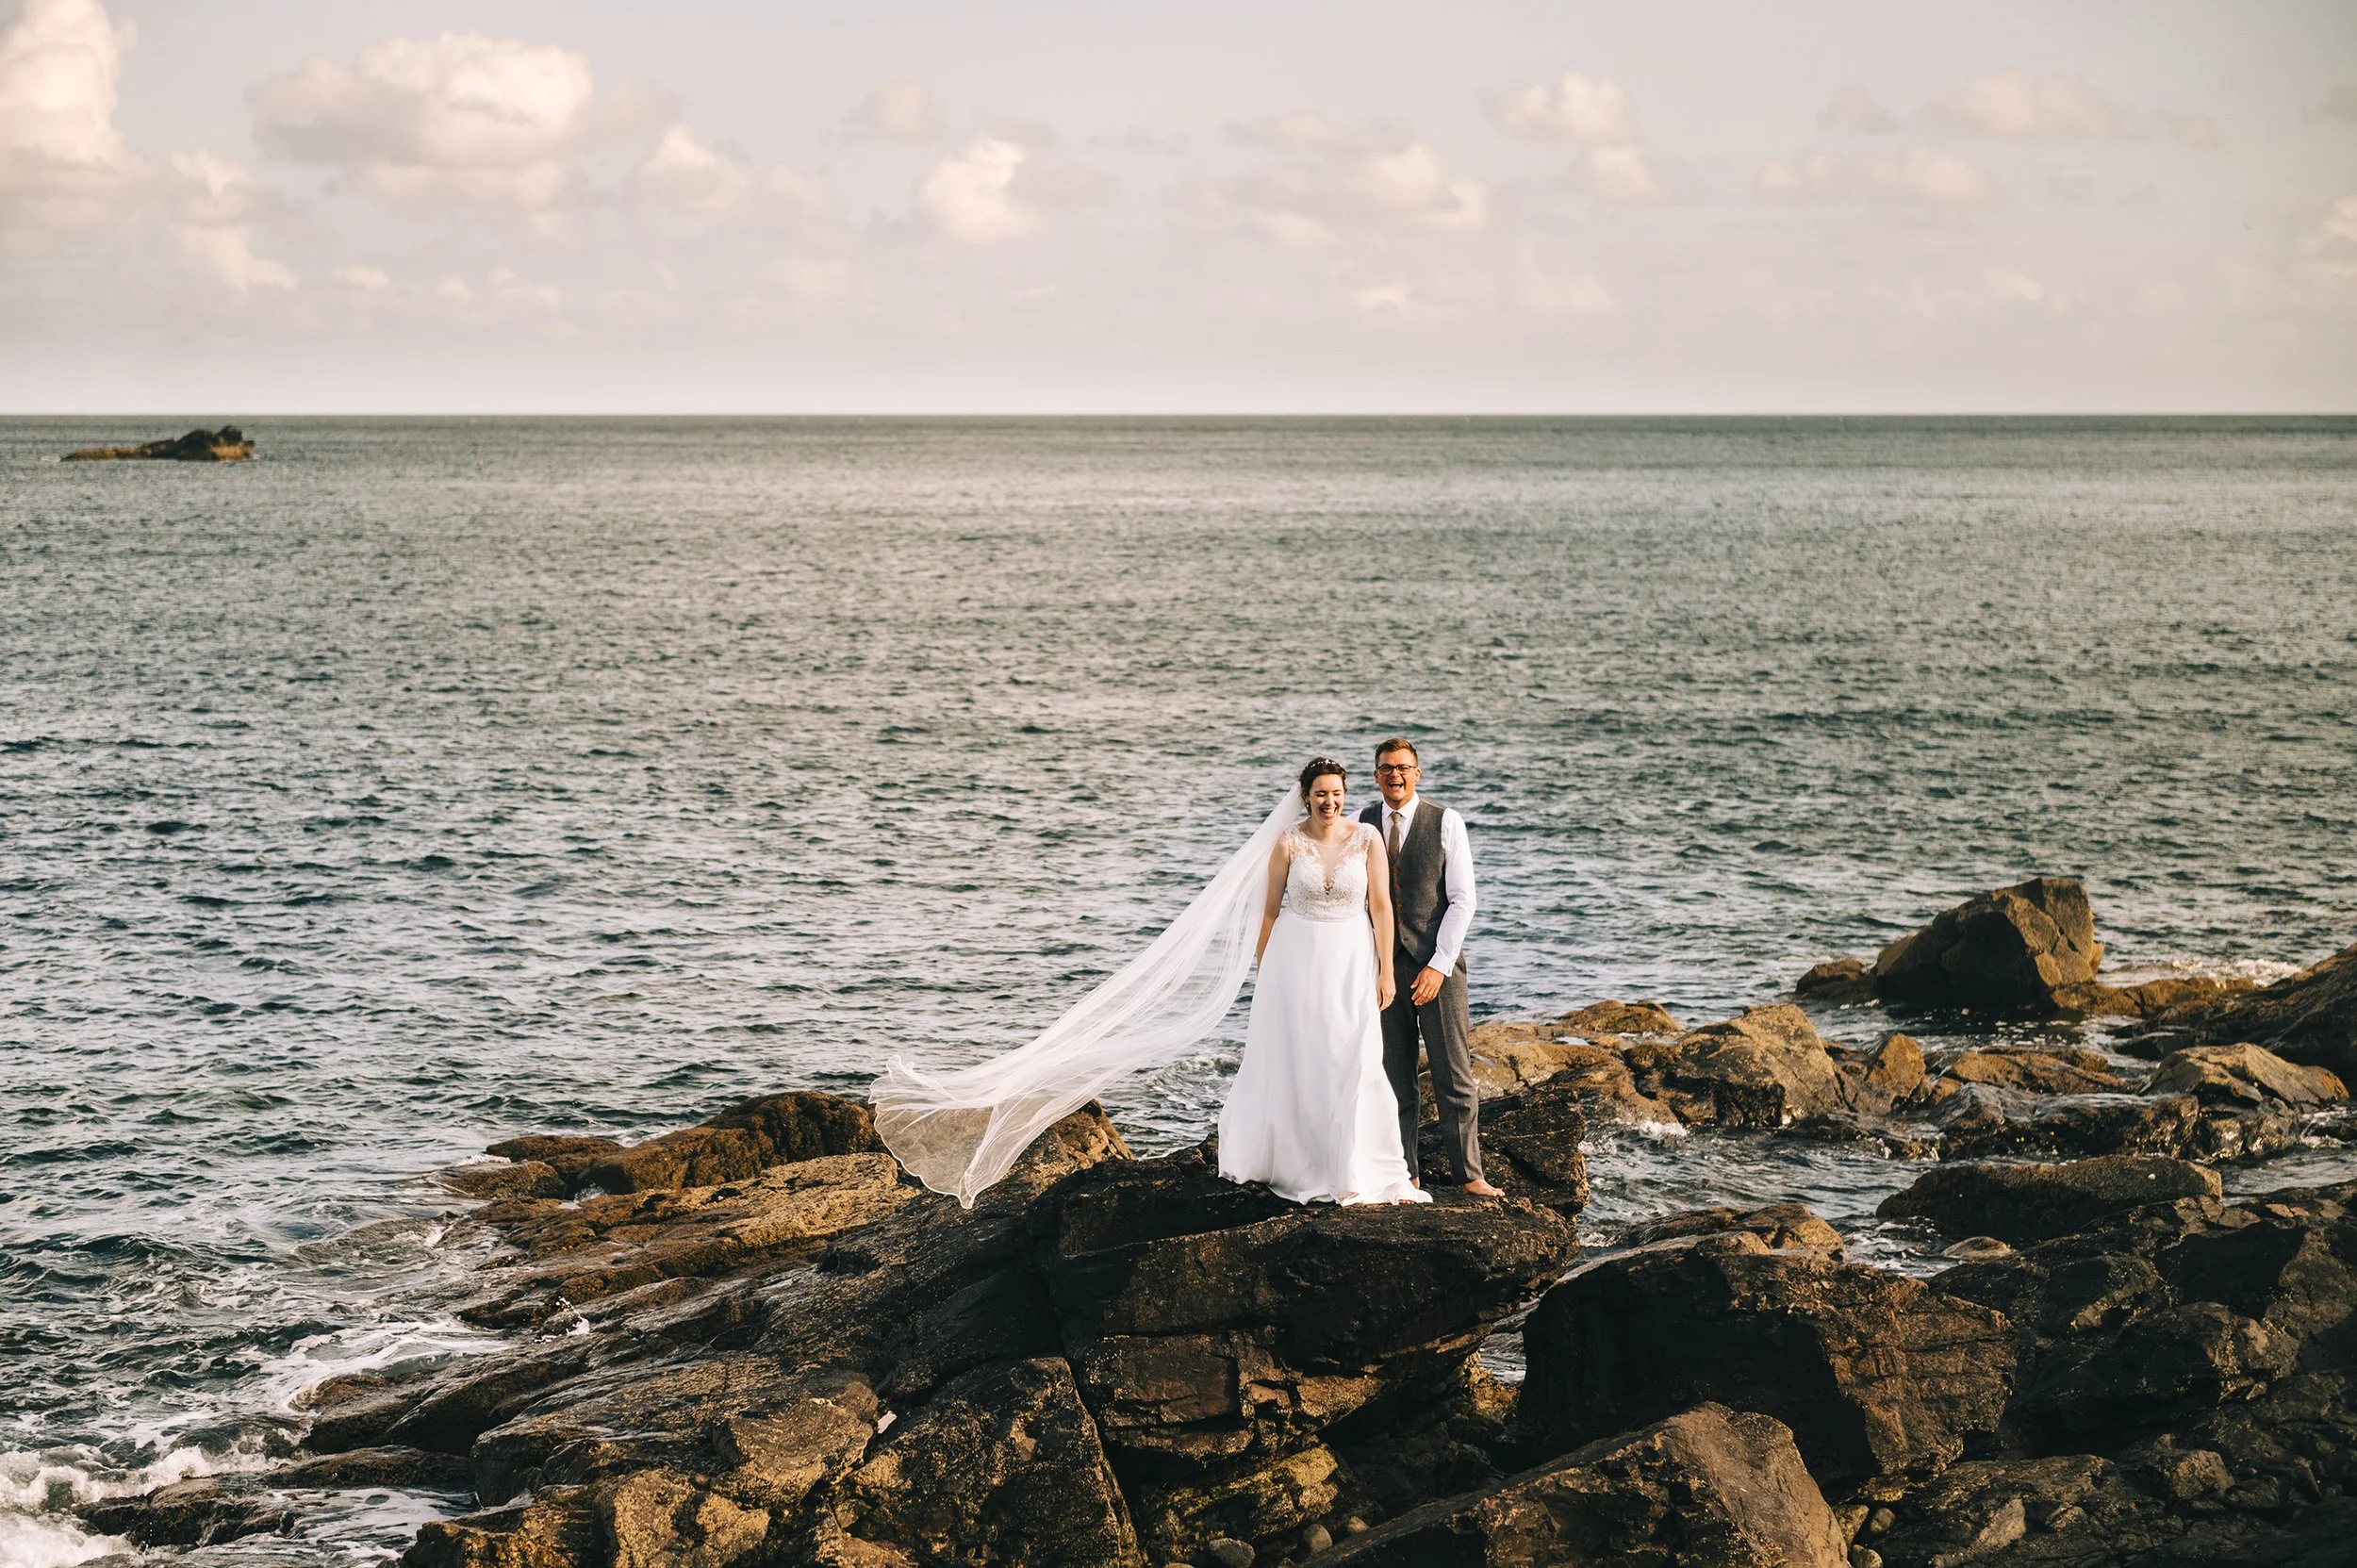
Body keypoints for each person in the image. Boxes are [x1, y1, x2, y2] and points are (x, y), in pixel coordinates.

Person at [1214, 757, 1430, 1205]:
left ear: (1345, 794)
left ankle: (1355, 1162)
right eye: (1320, 794)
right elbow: (1270, 912)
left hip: (1352, 959)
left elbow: (1382, 908)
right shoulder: (1288, 843)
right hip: (1295, 962)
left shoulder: (1367, 838)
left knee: (1352, 1053)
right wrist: (1264, 971)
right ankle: (1302, 1161)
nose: (1329, 802)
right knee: (1302, 1057)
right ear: (1306, 798)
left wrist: (1386, 971)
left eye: (1336, 793)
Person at [1360, 738, 1502, 1198]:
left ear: (1417, 773)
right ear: (1376, 775)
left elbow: (1464, 900)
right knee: (1394, 1076)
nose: (1394, 776)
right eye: (1386, 769)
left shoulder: (1446, 821)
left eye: (1403, 768)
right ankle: (1406, 1173)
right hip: (1384, 969)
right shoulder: (1362, 822)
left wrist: (1438, 966)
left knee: (1453, 1074)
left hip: (1437, 966)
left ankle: (1469, 1174)